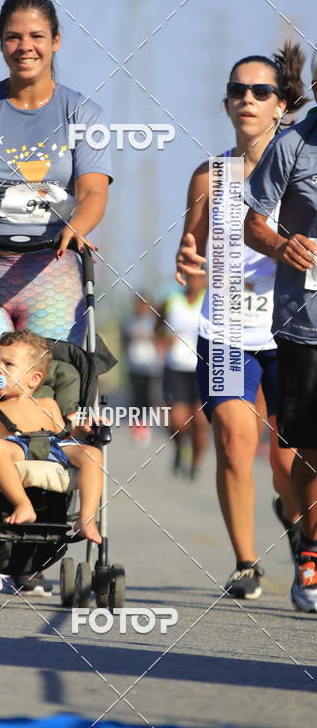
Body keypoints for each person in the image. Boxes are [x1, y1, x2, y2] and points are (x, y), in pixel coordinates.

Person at [0, 0, 113, 592]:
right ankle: (2, 526)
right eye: (14, 36)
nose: (25, 47)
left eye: (36, 36)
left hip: (53, 272)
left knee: (53, 396)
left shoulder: (80, 112)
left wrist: (76, 226)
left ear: (56, 42)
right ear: (2, 44)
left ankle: (49, 526)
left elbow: (93, 191)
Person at [176, 42, 306, 600]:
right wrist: (186, 260)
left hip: (294, 330)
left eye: (261, 91)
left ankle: (302, 534)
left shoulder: (305, 165)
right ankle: (246, 562)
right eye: (237, 91)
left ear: (282, 104)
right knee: (232, 437)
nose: (247, 99)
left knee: (286, 463)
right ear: (226, 103)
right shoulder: (209, 175)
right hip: (227, 329)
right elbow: (191, 251)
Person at [244, 48, 317, 612]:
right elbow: (254, 225)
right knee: (307, 450)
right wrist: (282, 243)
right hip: (304, 324)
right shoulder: (291, 144)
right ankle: (311, 553)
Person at [0, 329, 103, 544]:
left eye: (8, 365)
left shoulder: (48, 403)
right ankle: (23, 504)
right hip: (17, 447)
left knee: (92, 454)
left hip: (53, 445)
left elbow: (64, 433)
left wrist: (82, 430)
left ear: (34, 379)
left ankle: (86, 518)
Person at [156, 273, 209, 479]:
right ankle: (179, 449)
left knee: (200, 422)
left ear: (204, 280)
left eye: (198, 278)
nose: (194, 282)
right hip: (175, 367)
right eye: (190, 277)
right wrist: (161, 338)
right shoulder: (172, 300)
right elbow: (157, 324)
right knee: (177, 422)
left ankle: (195, 465)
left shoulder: (212, 300)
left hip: (203, 368)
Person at [121, 295, 163, 445]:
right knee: (136, 398)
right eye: (139, 304)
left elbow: (161, 339)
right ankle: (136, 428)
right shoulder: (129, 321)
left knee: (149, 398)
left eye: (145, 304)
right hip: (134, 365)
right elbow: (124, 341)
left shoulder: (155, 321)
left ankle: (146, 427)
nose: (142, 307)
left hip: (151, 366)